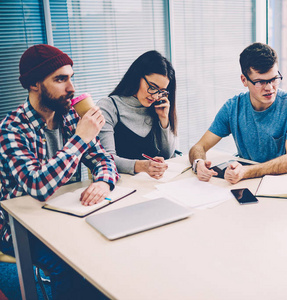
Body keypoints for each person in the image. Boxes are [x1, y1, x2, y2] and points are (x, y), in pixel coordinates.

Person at [0, 44, 119, 299]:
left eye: (71, 78)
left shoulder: (69, 117)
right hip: (20, 226)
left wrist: (104, 183)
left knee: (109, 247)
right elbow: (38, 187)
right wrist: (81, 138)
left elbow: (103, 159)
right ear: (35, 83)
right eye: (60, 79)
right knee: (68, 267)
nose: (71, 88)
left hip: (64, 214)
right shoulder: (11, 129)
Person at [189, 42, 287, 184]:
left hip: (285, 184)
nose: (269, 88)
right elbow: (198, 147)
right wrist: (198, 163)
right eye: (260, 82)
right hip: (246, 183)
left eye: (274, 79)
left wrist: (246, 171)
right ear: (244, 80)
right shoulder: (232, 107)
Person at [97, 50, 177, 179]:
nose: (155, 95)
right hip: (120, 187)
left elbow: (167, 155)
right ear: (137, 77)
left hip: (151, 185)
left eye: (161, 91)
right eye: (152, 87)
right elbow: (107, 160)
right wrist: (143, 166)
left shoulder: (156, 107)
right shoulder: (108, 107)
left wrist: (164, 119)